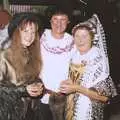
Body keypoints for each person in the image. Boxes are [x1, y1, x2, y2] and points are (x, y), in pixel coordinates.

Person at [59, 14, 117, 120]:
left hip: (89, 112)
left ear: (92, 38)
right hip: (71, 108)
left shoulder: (98, 61)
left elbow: (104, 98)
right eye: (77, 36)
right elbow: (77, 79)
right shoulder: (74, 56)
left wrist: (76, 88)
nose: (80, 40)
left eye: (84, 36)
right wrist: (68, 82)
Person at [0, 12, 44, 120]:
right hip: (10, 112)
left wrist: (39, 84)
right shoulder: (4, 56)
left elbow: (30, 79)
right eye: (25, 31)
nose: (29, 36)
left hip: (29, 111)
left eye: (33, 32)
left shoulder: (31, 54)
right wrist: (23, 90)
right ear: (16, 32)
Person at [40, 7, 73, 120]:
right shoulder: (40, 36)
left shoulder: (74, 41)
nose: (59, 23)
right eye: (55, 19)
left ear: (68, 22)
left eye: (63, 19)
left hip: (65, 97)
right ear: (50, 21)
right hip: (42, 95)